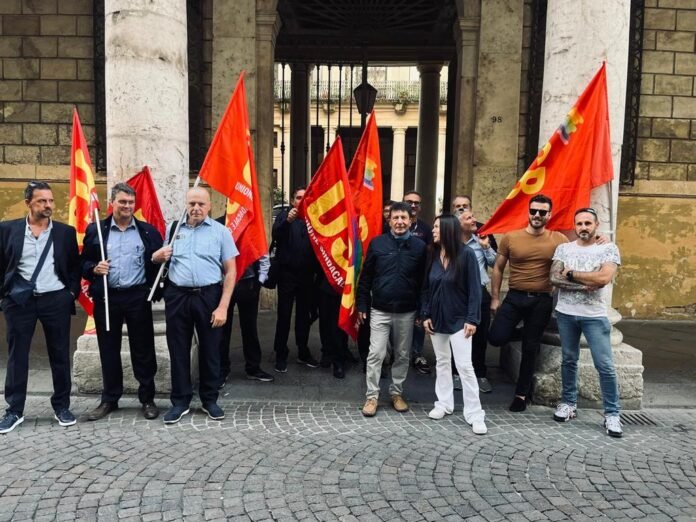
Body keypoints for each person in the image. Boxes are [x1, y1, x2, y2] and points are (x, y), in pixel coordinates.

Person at [151, 187, 238, 424]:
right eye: (191, 204)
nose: (196, 208)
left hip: (208, 295)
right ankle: (180, 401)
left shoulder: (221, 232)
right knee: (177, 349)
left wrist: (223, 307)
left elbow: (231, 272)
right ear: (186, 205)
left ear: (210, 206)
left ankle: (210, 400)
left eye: (201, 204)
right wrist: (156, 256)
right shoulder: (173, 229)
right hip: (178, 296)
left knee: (211, 348)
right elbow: (157, 260)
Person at [0, 181, 80, 433]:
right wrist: (4, 297)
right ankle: (14, 410)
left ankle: (62, 406)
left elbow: (74, 267)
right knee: (17, 356)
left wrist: (70, 294)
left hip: (55, 299)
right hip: (19, 302)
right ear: (28, 203)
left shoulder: (65, 233)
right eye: (41, 201)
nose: (48, 205)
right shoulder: (7, 230)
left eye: (50, 201)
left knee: (59, 354)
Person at [81, 182, 163, 421]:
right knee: (108, 349)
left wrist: (156, 259)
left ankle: (147, 398)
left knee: (144, 350)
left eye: (130, 202)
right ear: (112, 203)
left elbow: (157, 265)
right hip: (108, 297)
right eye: (122, 202)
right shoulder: (96, 229)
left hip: (138, 296)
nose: (127, 206)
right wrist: (94, 268)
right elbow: (83, 263)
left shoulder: (148, 231)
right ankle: (109, 399)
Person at [488, 194, 568, 412]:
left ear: (549, 215)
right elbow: (498, 268)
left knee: (530, 348)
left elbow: (579, 252)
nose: (537, 215)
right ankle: (526, 333)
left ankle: (521, 395)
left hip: (541, 299)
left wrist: (599, 240)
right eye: (533, 211)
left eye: (542, 212)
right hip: (515, 296)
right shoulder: (511, 237)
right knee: (496, 337)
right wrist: (495, 297)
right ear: (528, 212)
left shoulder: (558, 239)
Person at [550, 207, 623, 437]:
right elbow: (553, 278)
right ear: (574, 226)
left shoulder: (608, 248)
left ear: (596, 225)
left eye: (587, 223)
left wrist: (571, 274)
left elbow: (603, 278)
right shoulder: (563, 248)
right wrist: (585, 283)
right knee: (569, 360)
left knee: (605, 366)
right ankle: (569, 404)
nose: (583, 227)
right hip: (566, 313)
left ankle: (612, 414)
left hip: (594, 316)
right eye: (579, 223)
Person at [357, 202, 427, 417]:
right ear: (389, 221)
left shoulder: (420, 247)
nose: (399, 222)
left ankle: (396, 393)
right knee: (376, 353)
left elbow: (424, 283)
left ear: (410, 220)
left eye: (403, 218)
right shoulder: (377, 244)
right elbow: (366, 277)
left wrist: (422, 311)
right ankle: (372, 396)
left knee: (403, 355)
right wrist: (361, 304)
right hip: (380, 309)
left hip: (406, 311)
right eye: (395, 218)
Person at [421, 215, 486, 434]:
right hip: (436, 319)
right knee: (441, 362)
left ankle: (475, 414)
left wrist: (472, 319)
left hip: (460, 320)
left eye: (437, 226)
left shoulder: (466, 254)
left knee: (465, 367)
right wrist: (425, 313)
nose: (433, 230)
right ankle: (444, 404)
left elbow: (475, 290)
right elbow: (426, 288)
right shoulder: (432, 254)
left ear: (448, 229)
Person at [216, 213, 273, 385]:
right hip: (223, 284)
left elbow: (262, 252)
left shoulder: (251, 223)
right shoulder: (217, 224)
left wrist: (260, 281)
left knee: (250, 328)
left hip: (248, 284)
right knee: (222, 330)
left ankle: (253, 368)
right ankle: (221, 370)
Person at [271, 187, 319, 372]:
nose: (301, 200)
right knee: (283, 316)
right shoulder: (285, 216)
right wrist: (287, 222)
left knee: (303, 317)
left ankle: (303, 351)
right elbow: (276, 236)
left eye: (305, 197)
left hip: (307, 276)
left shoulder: (313, 218)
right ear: (293, 201)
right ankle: (280, 353)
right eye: (298, 197)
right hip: (287, 275)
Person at [459, 209, 496, 393]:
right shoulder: (452, 243)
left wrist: (486, 247)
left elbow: (495, 264)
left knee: (480, 337)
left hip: (480, 294)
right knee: (458, 336)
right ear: (459, 224)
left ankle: (480, 374)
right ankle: (456, 374)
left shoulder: (482, 240)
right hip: (458, 295)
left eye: (473, 216)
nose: (475, 220)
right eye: (469, 218)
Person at [403, 190, 431, 374]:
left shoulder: (426, 229)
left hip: (419, 282)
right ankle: (397, 354)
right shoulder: (393, 224)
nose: (413, 205)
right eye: (409, 202)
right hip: (398, 281)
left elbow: (430, 255)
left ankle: (417, 353)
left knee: (419, 320)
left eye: (416, 203)